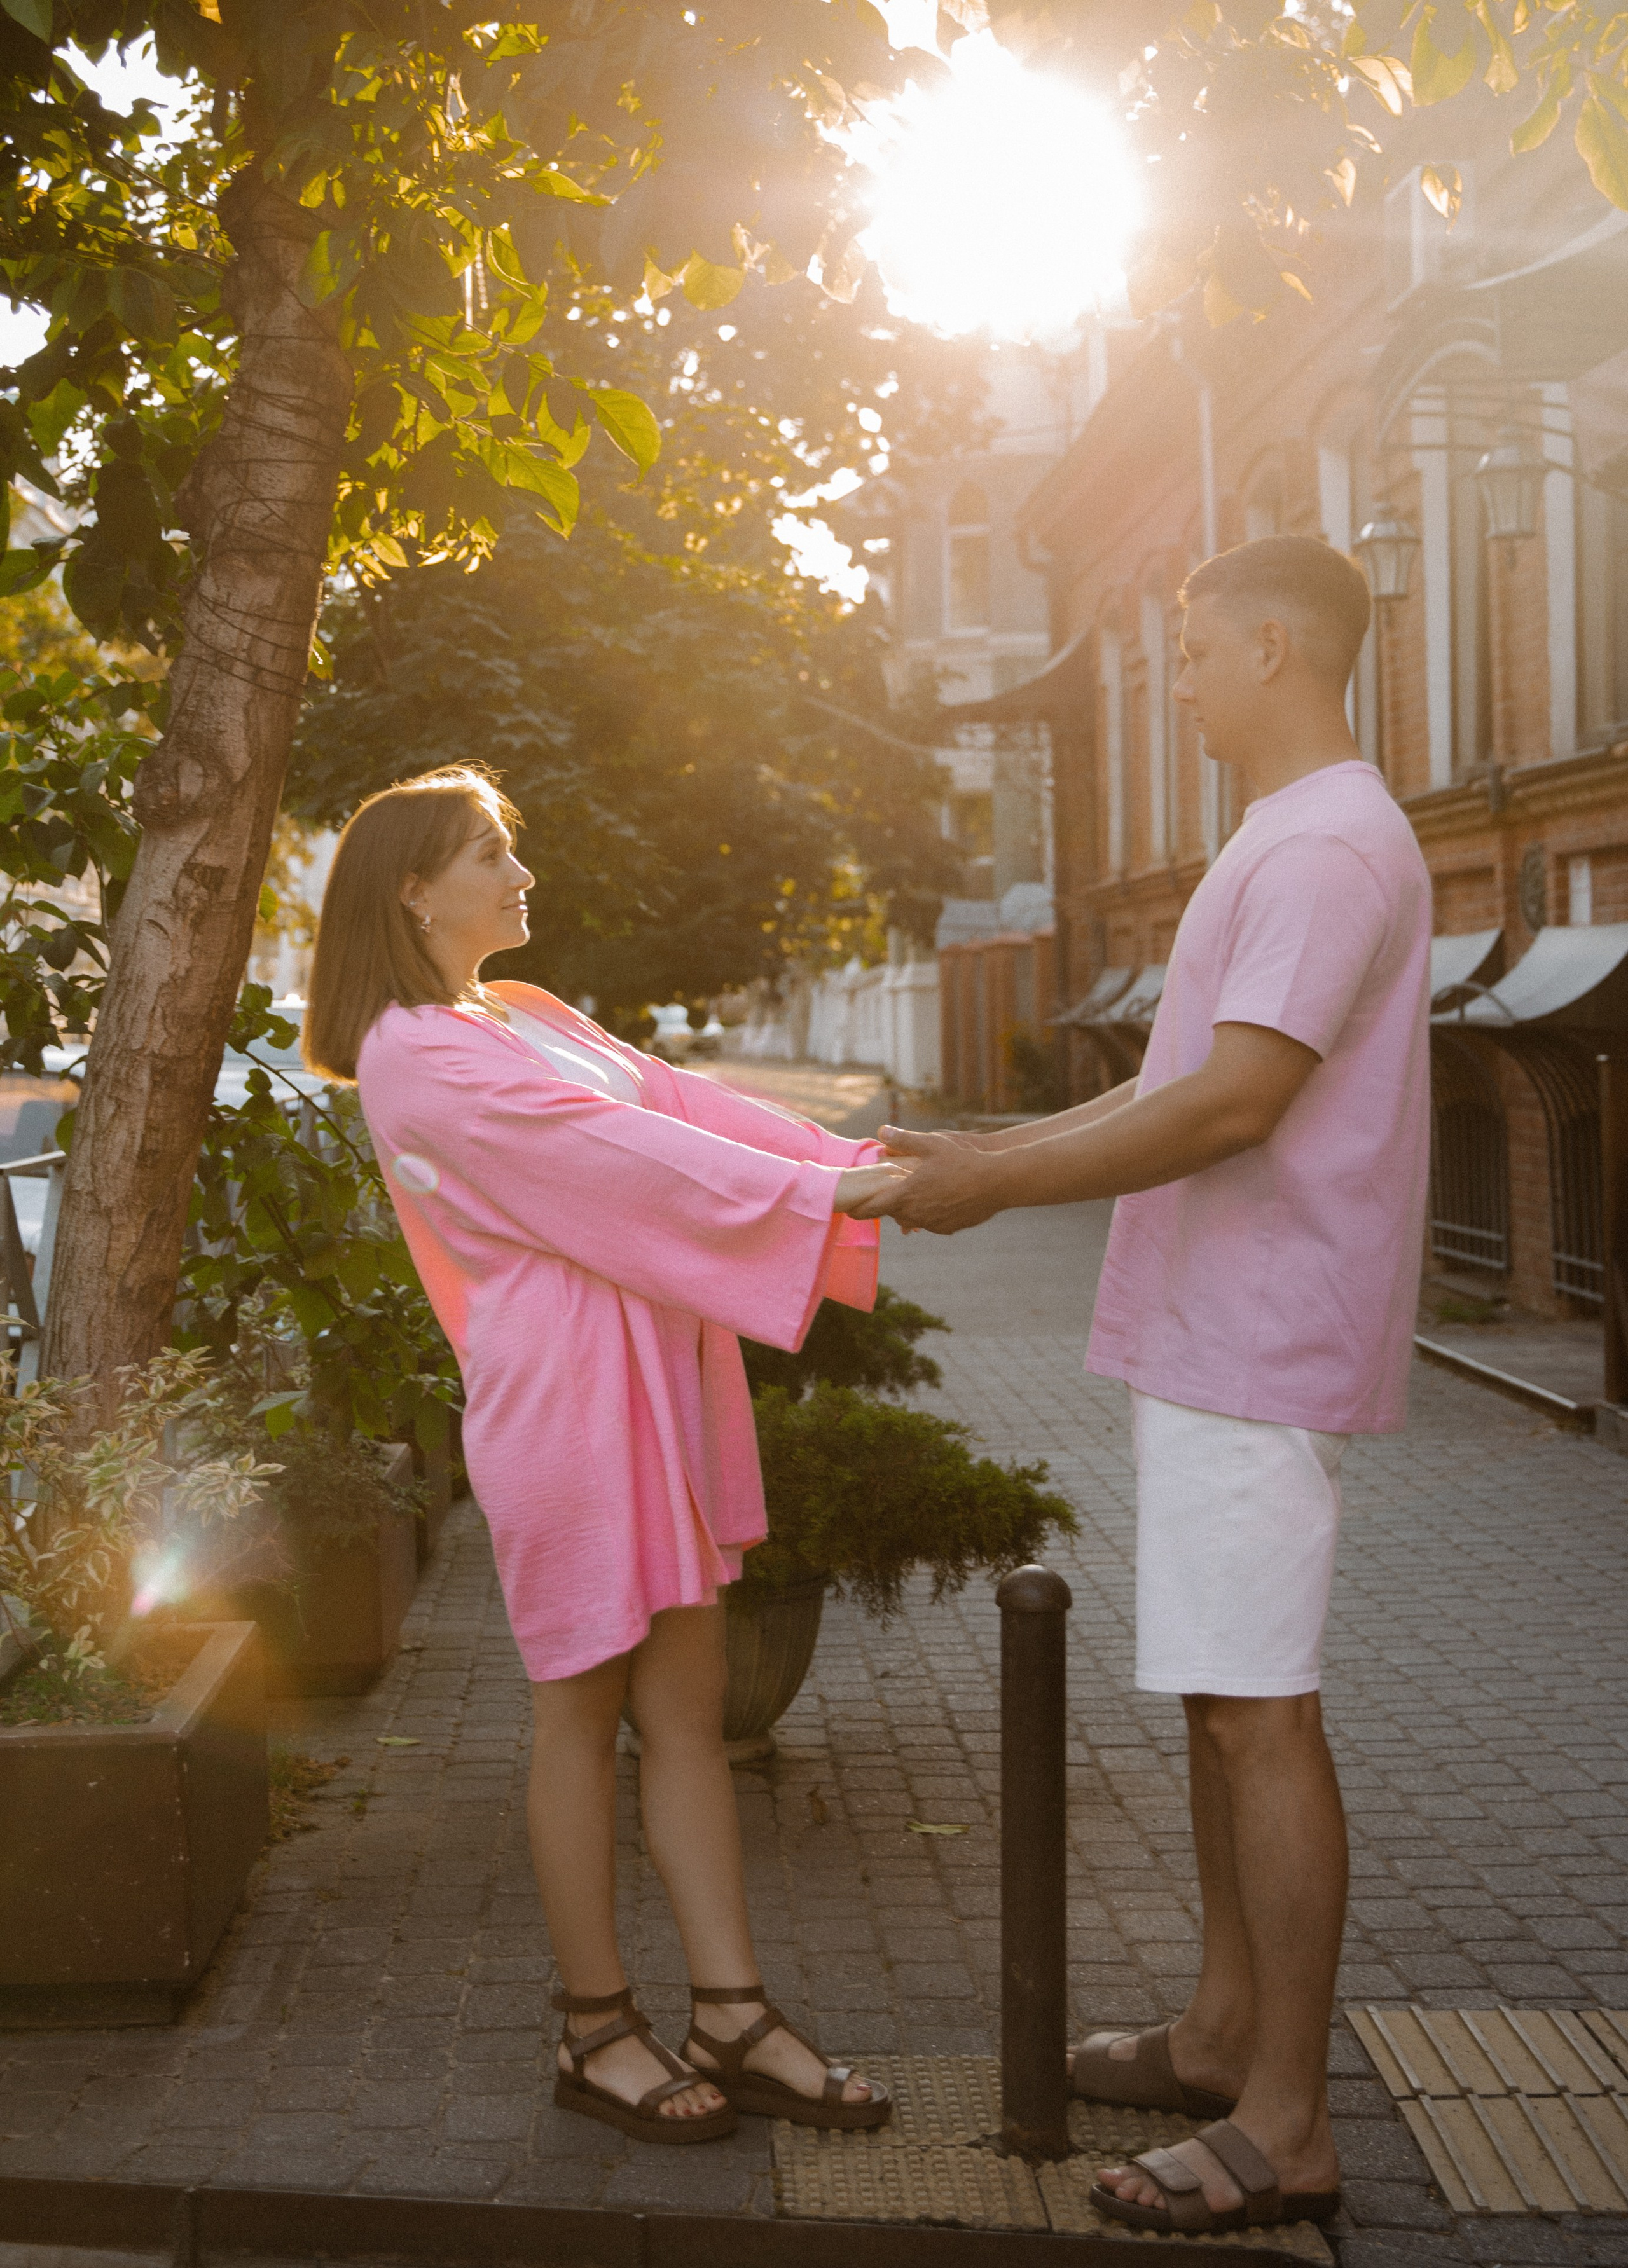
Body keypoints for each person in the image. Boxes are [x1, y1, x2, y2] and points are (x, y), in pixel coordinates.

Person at [859, 537, 1431, 2237]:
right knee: (1220, 1692)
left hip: (1258, 1339)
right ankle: (1222, 2031)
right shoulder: (1285, 831)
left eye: (1189, 650)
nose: (1173, 678)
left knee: (1262, 1716)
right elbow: (1173, 1087)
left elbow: (1229, 1105)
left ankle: (1284, 2125)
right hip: (1220, 1332)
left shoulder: (1327, 843)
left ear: (1271, 647)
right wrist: (987, 1144)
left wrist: (989, 1184)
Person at [304, 766, 905, 2147]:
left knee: (687, 1706)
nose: (521, 873)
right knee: (580, 1712)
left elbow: (675, 1103)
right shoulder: (413, 1048)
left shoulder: (516, 1011)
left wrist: (854, 1160)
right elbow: (614, 1159)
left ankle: (731, 2011)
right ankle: (593, 2028)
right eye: (490, 852)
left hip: (660, 1383)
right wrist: (830, 1196)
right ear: (411, 887)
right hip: (566, 1406)